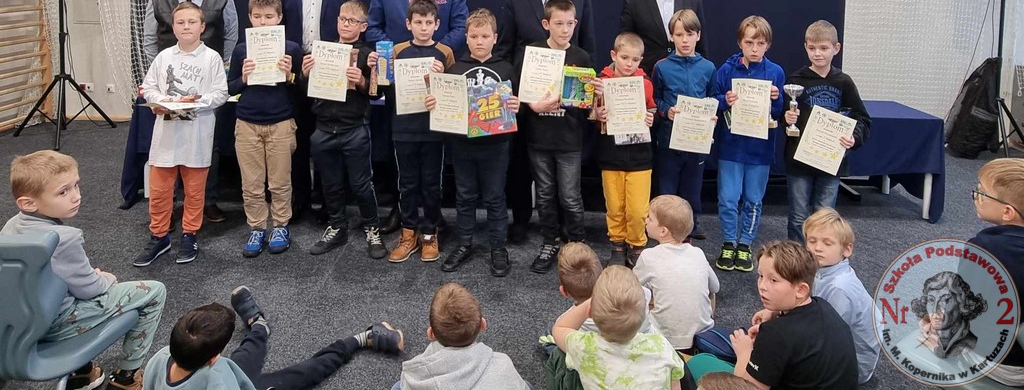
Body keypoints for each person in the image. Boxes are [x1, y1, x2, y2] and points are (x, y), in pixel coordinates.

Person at [2, 151, 166, 390]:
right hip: (57, 323)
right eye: (63, 192)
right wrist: (106, 277)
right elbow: (89, 289)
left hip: (15, 325)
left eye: (76, 185)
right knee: (154, 292)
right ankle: (127, 377)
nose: (76, 196)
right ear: (28, 203)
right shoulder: (64, 238)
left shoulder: (11, 226)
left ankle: (83, 373)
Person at [366, 0, 469, 233]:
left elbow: (460, 26)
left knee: (432, 157)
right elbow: (373, 27)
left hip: (437, 79)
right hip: (400, 86)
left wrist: (435, 52)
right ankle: (402, 212)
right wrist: (396, 55)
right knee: (403, 158)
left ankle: (432, 219)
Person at [497, 0, 597, 244]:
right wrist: (515, 94)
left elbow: (588, 45)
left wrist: (587, 89)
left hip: (566, 107)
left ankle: (567, 228)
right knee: (523, 165)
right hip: (527, 100)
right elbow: (505, 47)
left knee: (566, 182)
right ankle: (521, 221)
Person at [143, 285, 403, 390]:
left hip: (223, 374)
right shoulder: (218, 380)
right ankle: (361, 339)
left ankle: (259, 326)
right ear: (213, 358)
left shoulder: (161, 357)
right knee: (303, 373)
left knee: (243, 357)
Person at [142, 0, 237, 223]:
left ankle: (208, 201)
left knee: (208, 144)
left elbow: (231, 36)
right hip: (169, 89)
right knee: (169, 145)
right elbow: (149, 39)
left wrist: (218, 70)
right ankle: (170, 204)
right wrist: (161, 78)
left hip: (205, 85)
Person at [277, 0, 362, 222]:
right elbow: (280, 21)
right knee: (299, 137)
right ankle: (300, 201)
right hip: (298, 65)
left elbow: (353, 20)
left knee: (329, 138)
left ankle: (330, 205)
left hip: (332, 66)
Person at [425, 8, 519, 277]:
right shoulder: (455, 70)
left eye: (485, 36)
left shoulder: (506, 69)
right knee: (465, 196)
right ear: (466, 37)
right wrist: (434, 103)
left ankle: (498, 247)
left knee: (495, 197)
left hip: (496, 146)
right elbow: (445, 106)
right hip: (462, 145)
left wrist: (517, 105)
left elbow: (516, 104)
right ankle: (464, 243)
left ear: (495, 38)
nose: (479, 41)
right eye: (474, 36)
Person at [687, 241, 857, 389]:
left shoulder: (774, 333)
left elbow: (748, 387)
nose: (762, 286)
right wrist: (776, 312)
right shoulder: (823, 305)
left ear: (801, 289)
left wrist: (745, 352)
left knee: (699, 363)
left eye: (773, 280)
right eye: (761, 276)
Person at [134, 2, 228, 267]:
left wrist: (194, 102)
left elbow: (221, 93)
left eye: (191, 22)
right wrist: (162, 101)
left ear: (202, 26)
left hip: (196, 135)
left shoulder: (211, 58)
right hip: (166, 136)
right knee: (160, 190)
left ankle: (190, 235)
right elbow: (148, 88)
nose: (186, 27)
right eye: (180, 22)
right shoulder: (163, 57)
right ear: (173, 27)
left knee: (195, 191)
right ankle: (159, 236)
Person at [751, 209, 879, 383]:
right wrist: (775, 312)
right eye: (812, 241)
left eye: (827, 243)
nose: (817, 248)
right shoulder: (824, 270)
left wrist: (773, 335)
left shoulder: (839, 288)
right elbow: (805, 304)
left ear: (847, 249)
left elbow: (823, 334)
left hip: (852, 365)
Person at [302, 0, 388, 259]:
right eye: (342, 19)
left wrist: (362, 80)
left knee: (362, 185)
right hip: (324, 127)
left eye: (352, 21)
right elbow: (306, 92)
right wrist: (305, 75)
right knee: (330, 184)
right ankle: (337, 226)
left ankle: (372, 228)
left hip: (354, 128)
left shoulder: (369, 55)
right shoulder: (322, 51)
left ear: (363, 26)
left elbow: (377, 93)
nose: (345, 24)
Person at [376, 0, 455, 264]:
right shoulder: (397, 51)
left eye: (428, 22)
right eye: (418, 22)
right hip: (404, 129)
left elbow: (453, 94)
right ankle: (408, 233)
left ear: (437, 24)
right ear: (408, 24)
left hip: (433, 130)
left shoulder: (444, 53)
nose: (423, 27)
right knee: (407, 184)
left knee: (432, 184)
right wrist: (379, 69)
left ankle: (430, 234)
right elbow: (384, 89)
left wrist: (442, 76)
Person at [517, 0, 593, 274]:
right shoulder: (533, 53)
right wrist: (532, 105)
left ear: (576, 23)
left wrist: (592, 99)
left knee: (571, 196)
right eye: (558, 24)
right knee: (545, 194)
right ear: (546, 24)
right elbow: (519, 94)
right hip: (539, 138)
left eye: (570, 24)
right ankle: (550, 241)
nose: (565, 29)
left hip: (569, 140)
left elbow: (587, 105)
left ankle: (577, 243)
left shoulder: (582, 57)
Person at [227, 0, 303, 258]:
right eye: (257, 17)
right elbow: (230, 87)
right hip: (247, 123)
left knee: (280, 182)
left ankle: (281, 226)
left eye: (269, 17)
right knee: (251, 183)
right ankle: (257, 227)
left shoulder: (291, 48)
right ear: (250, 18)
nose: (263, 22)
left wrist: (290, 74)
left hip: (280, 122)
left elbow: (303, 89)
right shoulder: (241, 50)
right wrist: (243, 78)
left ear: (279, 18)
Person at [783, 20, 870, 243]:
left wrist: (854, 137)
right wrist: (787, 119)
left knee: (824, 214)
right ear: (805, 47)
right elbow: (784, 116)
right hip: (799, 160)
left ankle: (820, 257)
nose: (817, 53)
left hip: (831, 162)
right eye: (812, 48)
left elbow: (862, 118)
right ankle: (797, 257)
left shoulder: (844, 82)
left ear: (836, 48)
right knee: (798, 215)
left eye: (823, 48)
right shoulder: (796, 81)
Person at [713, 16, 784, 273]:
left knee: (753, 199)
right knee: (728, 198)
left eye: (760, 43)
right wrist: (725, 100)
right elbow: (714, 101)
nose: (754, 48)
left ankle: (745, 243)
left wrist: (776, 99)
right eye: (749, 42)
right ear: (740, 43)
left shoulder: (775, 72)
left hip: (760, 150)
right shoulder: (726, 70)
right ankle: (729, 241)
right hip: (731, 147)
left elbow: (778, 113)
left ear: (768, 45)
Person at [552, 266, 689, 390]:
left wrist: (591, 303)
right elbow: (675, 386)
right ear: (645, 312)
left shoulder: (584, 347)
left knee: (556, 351)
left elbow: (560, 327)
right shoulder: (662, 345)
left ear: (590, 311)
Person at [651, 9, 716, 240]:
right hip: (669, 139)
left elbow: (713, 96)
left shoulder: (708, 67)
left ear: (698, 35)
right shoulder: (661, 67)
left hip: (696, 141)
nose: (685, 40)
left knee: (692, 187)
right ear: (671, 37)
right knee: (667, 187)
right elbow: (655, 98)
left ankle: (691, 226)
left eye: (689, 34)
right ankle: (665, 229)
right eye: (679, 35)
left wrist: (711, 112)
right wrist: (666, 110)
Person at [594, 32, 656, 267]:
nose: (629, 64)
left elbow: (652, 109)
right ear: (614, 55)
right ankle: (618, 246)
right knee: (615, 206)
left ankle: (637, 245)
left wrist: (652, 118)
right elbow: (592, 114)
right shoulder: (601, 81)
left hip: (640, 158)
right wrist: (597, 114)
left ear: (641, 60)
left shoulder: (645, 83)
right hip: (611, 156)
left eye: (635, 60)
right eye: (624, 58)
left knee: (638, 210)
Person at [397, 282, 530, 390]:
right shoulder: (503, 362)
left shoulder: (416, 375)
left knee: (397, 386)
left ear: (431, 334)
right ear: (482, 324)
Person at [632, 196, 719, 354]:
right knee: (710, 293)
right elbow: (715, 287)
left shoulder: (648, 256)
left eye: (650, 218)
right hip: (702, 335)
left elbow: (632, 288)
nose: (645, 221)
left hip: (663, 339)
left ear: (663, 231)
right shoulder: (698, 253)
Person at [968, 157, 1024, 385]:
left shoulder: (984, 248)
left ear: (1008, 212)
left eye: (982, 192)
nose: (976, 196)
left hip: (1003, 364)